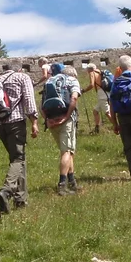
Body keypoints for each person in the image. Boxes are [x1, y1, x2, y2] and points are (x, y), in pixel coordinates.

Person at [0, 67, 40, 214]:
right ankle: (6, 190)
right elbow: (29, 100)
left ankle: (20, 199)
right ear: (18, 69)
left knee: (17, 159)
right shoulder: (22, 77)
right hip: (16, 122)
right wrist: (34, 122)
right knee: (18, 158)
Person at [43, 63, 82, 195]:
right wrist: (66, 116)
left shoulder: (50, 81)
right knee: (67, 151)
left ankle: (72, 182)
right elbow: (74, 98)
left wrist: (48, 120)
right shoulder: (72, 80)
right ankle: (62, 185)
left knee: (67, 151)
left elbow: (41, 105)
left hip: (52, 119)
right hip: (66, 119)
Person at [86, 65, 110, 134]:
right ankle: (97, 128)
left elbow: (91, 85)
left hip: (101, 94)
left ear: (89, 69)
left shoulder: (92, 73)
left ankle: (117, 127)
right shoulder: (99, 72)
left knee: (107, 112)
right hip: (106, 92)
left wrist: (83, 90)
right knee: (95, 111)